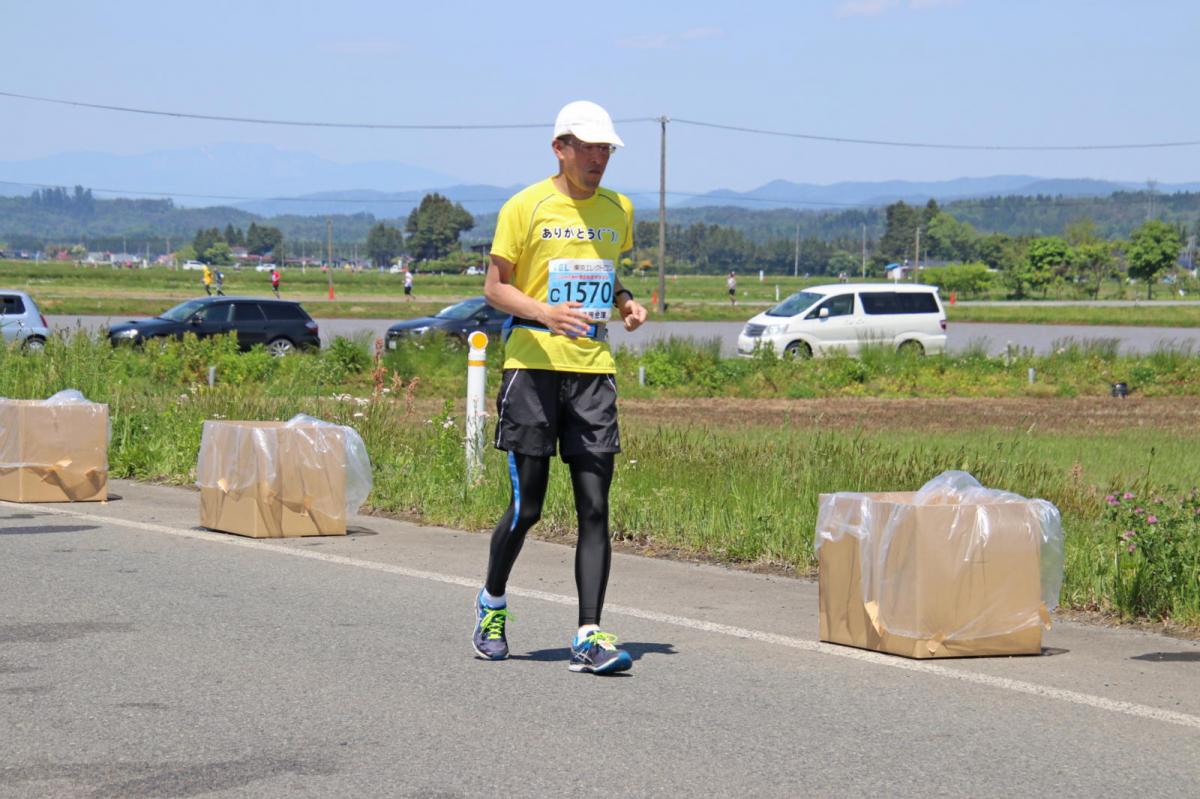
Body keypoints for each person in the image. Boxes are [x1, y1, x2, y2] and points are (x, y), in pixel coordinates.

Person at [473, 100, 647, 675]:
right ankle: (492, 604)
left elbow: (603, 267)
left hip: (593, 369)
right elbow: (496, 288)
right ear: (560, 148)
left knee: (595, 506)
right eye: (589, 148)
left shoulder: (619, 207)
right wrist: (545, 314)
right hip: (531, 366)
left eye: (607, 150)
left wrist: (624, 301)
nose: (599, 159)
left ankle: (588, 634)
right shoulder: (525, 206)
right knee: (528, 510)